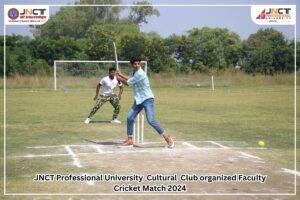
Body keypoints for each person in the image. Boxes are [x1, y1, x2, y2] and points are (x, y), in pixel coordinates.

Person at [116, 56, 174, 148]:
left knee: (151, 120)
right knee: (130, 118)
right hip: (139, 99)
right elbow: (131, 79)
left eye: (138, 63)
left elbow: (128, 83)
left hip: (147, 99)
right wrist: (120, 75)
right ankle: (130, 140)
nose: (137, 65)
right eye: (135, 64)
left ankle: (167, 137)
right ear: (132, 64)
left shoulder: (140, 73)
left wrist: (119, 78)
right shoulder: (135, 72)